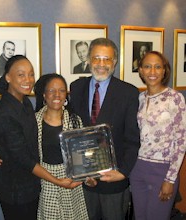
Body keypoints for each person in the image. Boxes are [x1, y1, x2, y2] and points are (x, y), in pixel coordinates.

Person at [0, 55, 81, 220]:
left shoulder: (23, 102)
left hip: (31, 183)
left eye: (31, 74)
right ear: (8, 77)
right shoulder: (6, 113)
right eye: (21, 74)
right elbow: (24, 159)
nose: (28, 79)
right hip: (15, 188)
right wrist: (58, 181)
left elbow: (23, 139)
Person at [70, 37, 140, 220]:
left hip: (113, 180)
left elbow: (133, 139)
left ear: (114, 62)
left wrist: (123, 172)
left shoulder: (129, 93)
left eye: (107, 59)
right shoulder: (76, 88)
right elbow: (68, 126)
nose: (101, 64)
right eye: (96, 58)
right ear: (88, 60)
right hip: (83, 181)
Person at [129, 51, 186, 220]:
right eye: (147, 66)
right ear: (140, 70)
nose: (152, 72)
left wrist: (170, 179)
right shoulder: (139, 98)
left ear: (164, 71)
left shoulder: (175, 98)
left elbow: (181, 141)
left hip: (162, 170)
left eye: (157, 67)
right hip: (138, 169)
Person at [34, 73, 89, 219]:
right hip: (46, 181)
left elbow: (82, 156)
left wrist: (87, 176)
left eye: (62, 90)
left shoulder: (75, 121)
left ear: (66, 95)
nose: (57, 94)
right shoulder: (33, 121)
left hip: (71, 181)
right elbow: (21, 150)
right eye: (51, 90)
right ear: (44, 95)